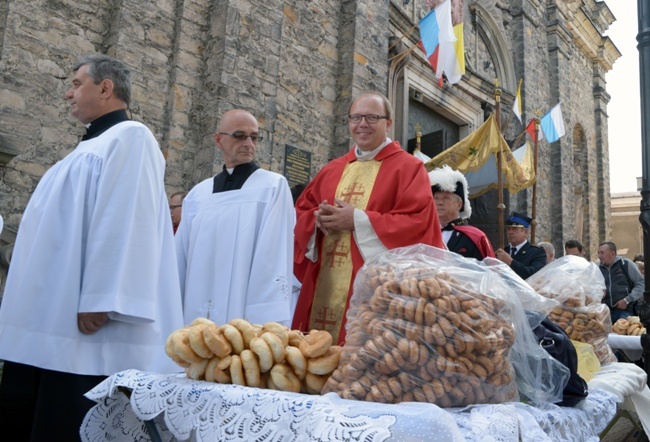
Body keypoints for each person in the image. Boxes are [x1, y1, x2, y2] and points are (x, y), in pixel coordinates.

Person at [0, 54, 184, 440]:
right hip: (52, 314)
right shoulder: (89, 147)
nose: (68, 93)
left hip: (86, 326)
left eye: (76, 83)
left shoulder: (132, 138)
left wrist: (104, 296)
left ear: (105, 88)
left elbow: (124, 218)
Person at [292, 91, 444, 344]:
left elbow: (417, 224)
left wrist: (357, 221)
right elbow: (302, 211)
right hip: (325, 282)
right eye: (356, 117)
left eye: (372, 117)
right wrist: (316, 221)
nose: (362, 124)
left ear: (388, 123)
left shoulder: (408, 168)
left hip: (375, 290)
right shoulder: (332, 169)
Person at [176, 109, 295, 326]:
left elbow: (273, 256)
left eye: (254, 137)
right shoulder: (198, 195)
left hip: (245, 315)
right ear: (219, 140)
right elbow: (180, 259)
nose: (249, 143)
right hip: (196, 313)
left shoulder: (272, 187)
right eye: (240, 135)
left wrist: (262, 322)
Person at [428, 165, 494, 260]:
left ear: (459, 204)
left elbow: (487, 270)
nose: (439, 203)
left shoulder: (475, 237)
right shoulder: (427, 234)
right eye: (436, 198)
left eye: (446, 198)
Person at [598, 241, 644, 322]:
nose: (599, 256)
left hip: (624, 311)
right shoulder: (597, 268)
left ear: (612, 253)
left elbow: (641, 284)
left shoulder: (626, 264)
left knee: (622, 332)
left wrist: (627, 300)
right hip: (603, 313)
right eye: (598, 253)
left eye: (602, 253)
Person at [495, 211, 547, 279]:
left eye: (515, 229)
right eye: (508, 229)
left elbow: (534, 275)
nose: (510, 232)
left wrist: (511, 262)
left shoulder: (537, 252)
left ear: (525, 232)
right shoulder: (505, 251)